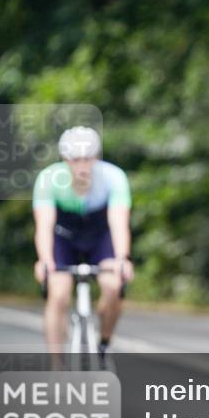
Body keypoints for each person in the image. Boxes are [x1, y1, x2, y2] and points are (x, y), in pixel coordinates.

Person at [32, 127, 133, 357]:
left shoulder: (114, 177)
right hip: (64, 236)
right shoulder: (48, 179)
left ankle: (104, 341)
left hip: (100, 235)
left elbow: (119, 222)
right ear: (65, 160)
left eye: (88, 159)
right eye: (75, 160)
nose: (82, 167)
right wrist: (44, 260)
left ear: (96, 158)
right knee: (58, 293)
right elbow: (44, 225)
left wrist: (122, 258)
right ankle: (56, 367)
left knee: (113, 286)